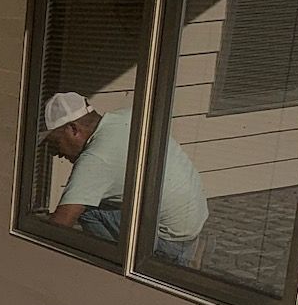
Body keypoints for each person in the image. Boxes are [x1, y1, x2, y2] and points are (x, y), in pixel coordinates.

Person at [41, 91, 208, 265]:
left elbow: (59, 226)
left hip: (169, 240)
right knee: (95, 197)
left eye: (55, 142)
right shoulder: (127, 117)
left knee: (88, 210)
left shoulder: (95, 159)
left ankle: (124, 264)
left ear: (73, 129)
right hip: (192, 219)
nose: (55, 153)